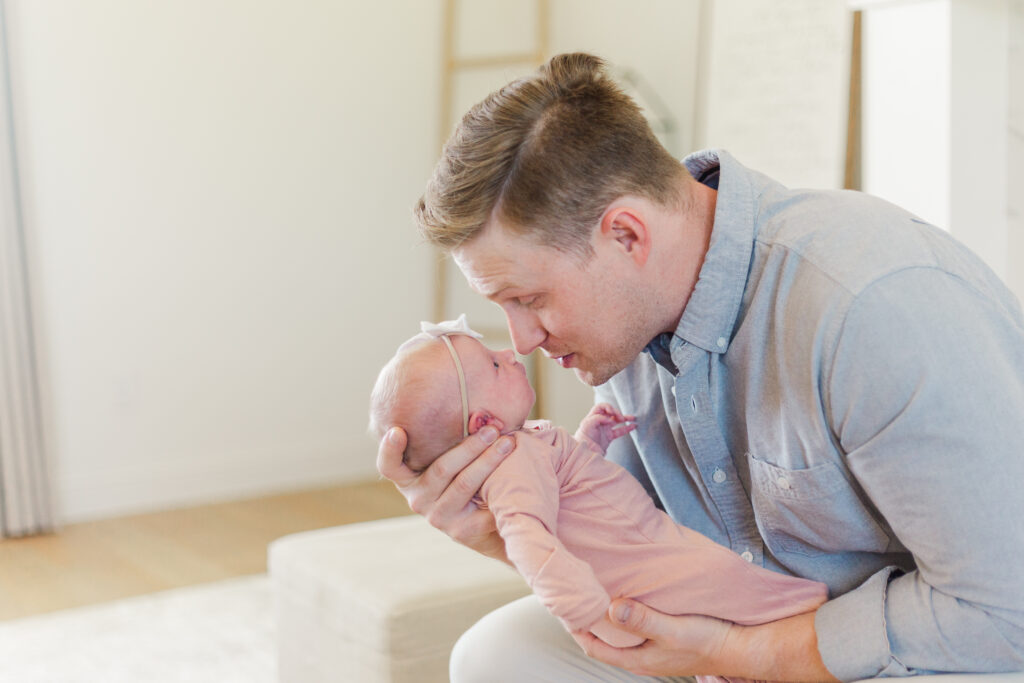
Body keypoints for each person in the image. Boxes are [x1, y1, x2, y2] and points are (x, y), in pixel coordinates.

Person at [377, 52, 1024, 682]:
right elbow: (634, 552)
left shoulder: (872, 307)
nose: (519, 340)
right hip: (733, 634)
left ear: (626, 235)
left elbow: (1006, 612)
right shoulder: (622, 331)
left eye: (528, 299)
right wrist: (509, 528)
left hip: (926, 650)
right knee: (498, 654)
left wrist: (750, 654)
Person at [368, 315, 829, 678]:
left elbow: (570, 491)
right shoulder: (513, 462)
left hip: (643, 564)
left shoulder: (527, 447)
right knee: (731, 585)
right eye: (493, 363)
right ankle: (810, 613)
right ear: (483, 424)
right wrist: (580, 606)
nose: (510, 351)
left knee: (712, 604)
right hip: (643, 569)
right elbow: (527, 533)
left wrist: (591, 440)